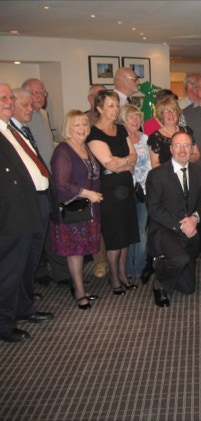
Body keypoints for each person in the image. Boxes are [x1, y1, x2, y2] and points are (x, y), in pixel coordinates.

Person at [0, 82, 55, 343]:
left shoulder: (12, 129)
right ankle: (3, 322)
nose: (9, 102)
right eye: (3, 98)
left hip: (34, 203)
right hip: (13, 212)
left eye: (10, 97)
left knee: (28, 263)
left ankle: (23, 308)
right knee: (10, 269)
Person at [15, 86, 72, 288]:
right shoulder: (13, 128)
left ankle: (60, 273)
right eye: (32, 96)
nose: (33, 104)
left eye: (41, 94)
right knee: (35, 232)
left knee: (53, 228)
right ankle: (37, 274)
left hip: (49, 180)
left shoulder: (42, 115)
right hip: (30, 188)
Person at [146, 132, 201, 306]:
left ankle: (165, 264)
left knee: (188, 288)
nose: (182, 150)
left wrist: (194, 219)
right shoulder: (157, 174)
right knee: (181, 260)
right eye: (178, 145)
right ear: (171, 148)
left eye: (186, 145)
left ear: (192, 148)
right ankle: (159, 283)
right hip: (165, 230)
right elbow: (154, 209)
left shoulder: (199, 172)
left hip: (190, 229)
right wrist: (180, 225)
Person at [87, 91, 140, 295]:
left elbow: (134, 156)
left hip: (126, 186)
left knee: (125, 235)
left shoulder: (121, 129)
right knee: (115, 236)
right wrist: (126, 163)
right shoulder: (94, 133)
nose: (116, 109)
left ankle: (123, 275)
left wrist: (123, 162)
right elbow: (109, 164)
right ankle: (114, 278)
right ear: (99, 108)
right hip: (109, 190)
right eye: (111, 106)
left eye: (117, 105)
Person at [50, 110, 103, 310]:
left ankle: (79, 286)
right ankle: (79, 292)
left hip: (88, 209)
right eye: (77, 125)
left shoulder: (85, 146)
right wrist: (87, 194)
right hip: (73, 211)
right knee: (74, 252)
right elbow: (61, 183)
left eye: (84, 124)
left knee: (81, 251)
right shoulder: (63, 150)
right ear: (68, 128)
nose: (82, 128)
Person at [120, 104, 153, 284]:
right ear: (123, 120)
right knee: (126, 230)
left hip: (143, 192)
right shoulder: (119, 139)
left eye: (138, 116)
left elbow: (150, 164)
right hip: (123, 192)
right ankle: (125, 269)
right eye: (131, 117)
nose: (135, 120)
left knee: (141, 230)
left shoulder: (145, 138)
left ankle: (139, 268)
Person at [84, 85, 109, 278]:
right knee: (96, 223)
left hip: (112, 179)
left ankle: (113, 260)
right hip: (92, 177)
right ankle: (100, 261)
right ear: (90, 99)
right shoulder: (84, 120)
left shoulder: (115, 120)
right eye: (97, 96)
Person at [147, 96, 199, 168]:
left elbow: (196, 155)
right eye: (166, 111)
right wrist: (172, 169)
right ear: (161, 115)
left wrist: (183, 158)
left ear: (177, 112)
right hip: (165, 173)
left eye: (173, 110)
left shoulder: (187, 131)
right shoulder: (155, 137)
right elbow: (154, 163)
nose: (170, 114)